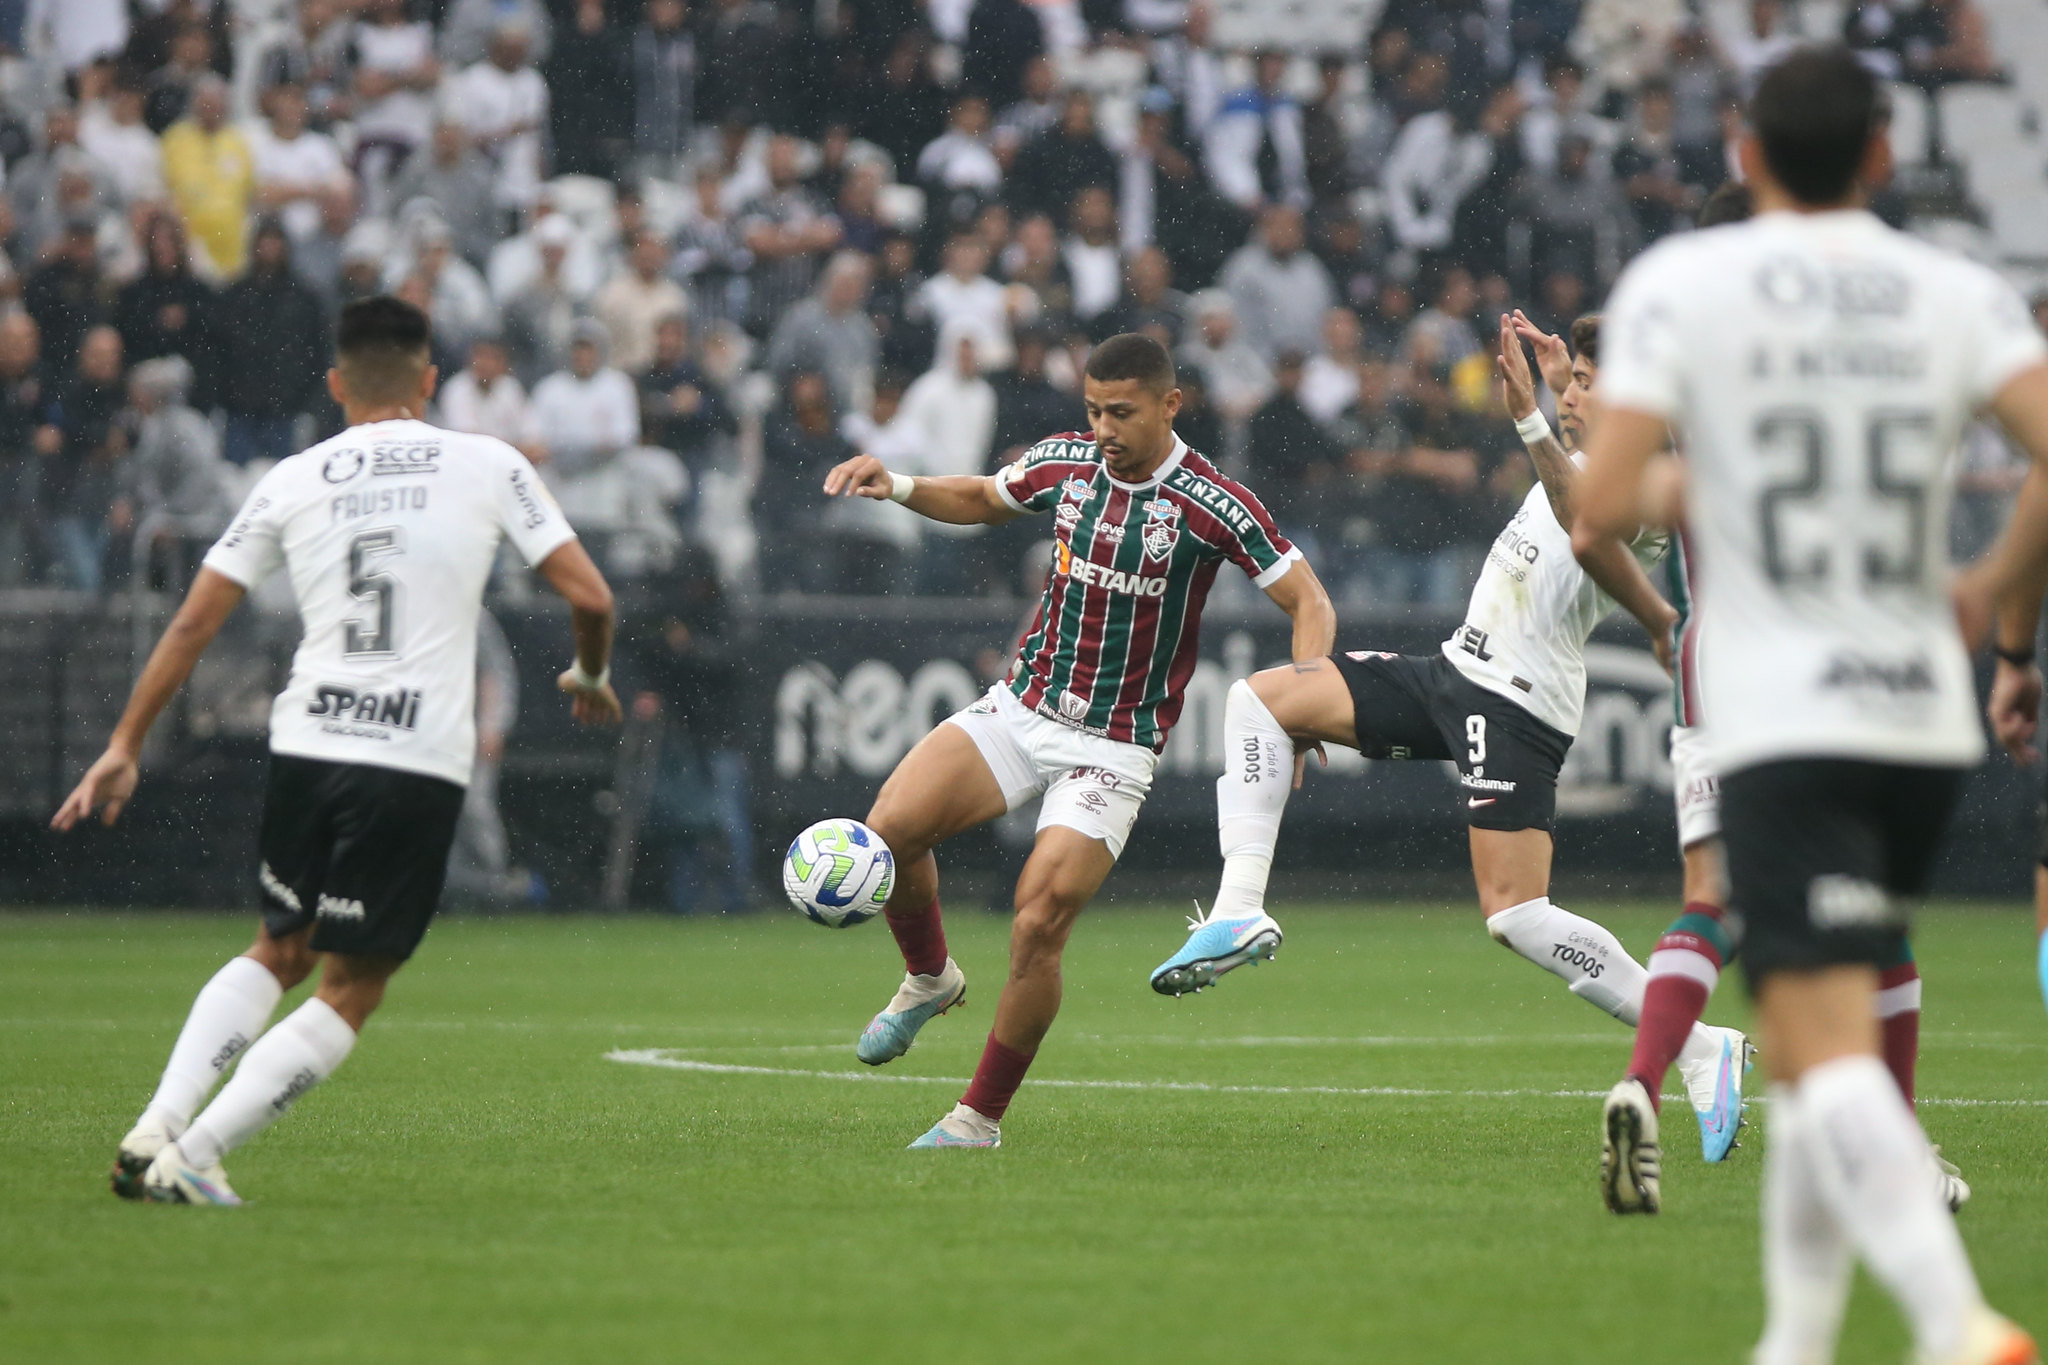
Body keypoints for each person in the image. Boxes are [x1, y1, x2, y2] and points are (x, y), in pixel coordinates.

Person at [1574, 46, 2046, 1365]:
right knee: (1809, 1032)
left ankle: (1953, 1321)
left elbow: (1602, 501)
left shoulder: (1682, 286)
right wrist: (1994, 599)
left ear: (1745, 154)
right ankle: (1793, 1339)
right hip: (1920, 711)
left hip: (1782, 708)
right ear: (1883, 155)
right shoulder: (1955, 290)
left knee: (1815, 1041)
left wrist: (1707, 483)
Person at [55, 295, 620, 1206]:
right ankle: (194, 1153)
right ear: (429, 380)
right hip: (412, 756)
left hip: (308, 742)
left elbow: (193, 621)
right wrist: (589, 674)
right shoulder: (488, 462)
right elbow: (591, 596)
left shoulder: (293, 476)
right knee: (352, 986)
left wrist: (124, 743)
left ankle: (159, 1120)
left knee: (279, 945)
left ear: (335, 383)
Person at [1155, 310, 1750, 1136]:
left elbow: (1581, 515)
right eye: (1573, 381)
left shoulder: (1655, 481)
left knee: (1515, 914)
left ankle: (1700, 1046)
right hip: (1456, 671)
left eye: (1589, 383)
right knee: (1260, 701)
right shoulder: (1596, 450)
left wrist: (1534, 413)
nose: (1573, 395)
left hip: (1518, 704)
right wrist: (1562, 384)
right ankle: (1238, 909)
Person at [818, 333, 1334, 1147]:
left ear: (1170, 405)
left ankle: (977, 1118)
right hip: (1021, 708)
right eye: (1093, 410)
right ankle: (930, 976)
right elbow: (983, 497)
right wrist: (902, 486)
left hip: (1113, 747)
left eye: (1121, 412)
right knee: (890, 831)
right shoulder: (1065, 461)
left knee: (1037, 923)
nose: (1103, 428)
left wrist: (1306, 702)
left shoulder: (1212, 501)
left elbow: (1309, 600)